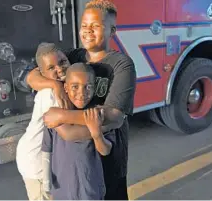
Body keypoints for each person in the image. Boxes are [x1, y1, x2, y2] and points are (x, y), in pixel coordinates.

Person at [27, 0, 137, 199]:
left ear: (112, 30)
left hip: (108, 157)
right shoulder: (74, 57)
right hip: (76, 160)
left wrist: (62, 116)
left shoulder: (122, 65)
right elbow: (32, 76)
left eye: (96, 26)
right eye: (84, 25)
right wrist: (56, 85)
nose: (88, 31)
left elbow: (114, 115)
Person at [41, 63, 115, 200]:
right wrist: (46, 181)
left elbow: (105, 150)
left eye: (88, 87)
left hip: (90, 189)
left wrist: (96, 134)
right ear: (66, 88)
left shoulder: (97, 113)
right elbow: (47, 148)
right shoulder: (56, 116)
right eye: (75, 87)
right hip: (61, 190)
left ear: (94, 88)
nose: (82, 93)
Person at [15, 42, 70, 200]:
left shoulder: (59, 86)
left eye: (63, 62)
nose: (59, 69)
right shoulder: (50, 94)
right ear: (42, 72)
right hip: (37, 162)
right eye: (51, 68)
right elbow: (66, 130)